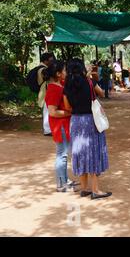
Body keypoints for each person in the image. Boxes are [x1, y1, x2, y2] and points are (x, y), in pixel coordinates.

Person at [63, 58, 111, 200]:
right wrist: (92, 78)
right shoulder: (89, 82)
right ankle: (95, 190)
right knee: (94, 150)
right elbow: (101, 93)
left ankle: (84, 188)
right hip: (91, 120)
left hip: (76, 122)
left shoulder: (67, 86)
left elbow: (67, 107)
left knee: (80, 152)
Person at [44, 60, 75, 192]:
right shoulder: (54, 89)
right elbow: (52, 112)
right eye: (64, 71)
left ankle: (65, 180)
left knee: (64, 153)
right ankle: (61, 184)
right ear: (58, 74)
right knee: (61, 154)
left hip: (63, 124)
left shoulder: (58, 85)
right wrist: (69, 113)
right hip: (60, 125)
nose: (66, 73)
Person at [37, 52, 55, 136]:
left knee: (47, 110)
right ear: (45, 61)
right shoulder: (42, 69)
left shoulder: (42, 68)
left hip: (45, 91)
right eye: (50, 60)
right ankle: (47, 130)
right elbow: (48, 77)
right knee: (47, 110)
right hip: (45, 92)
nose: (52, 61)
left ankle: (48, 129)